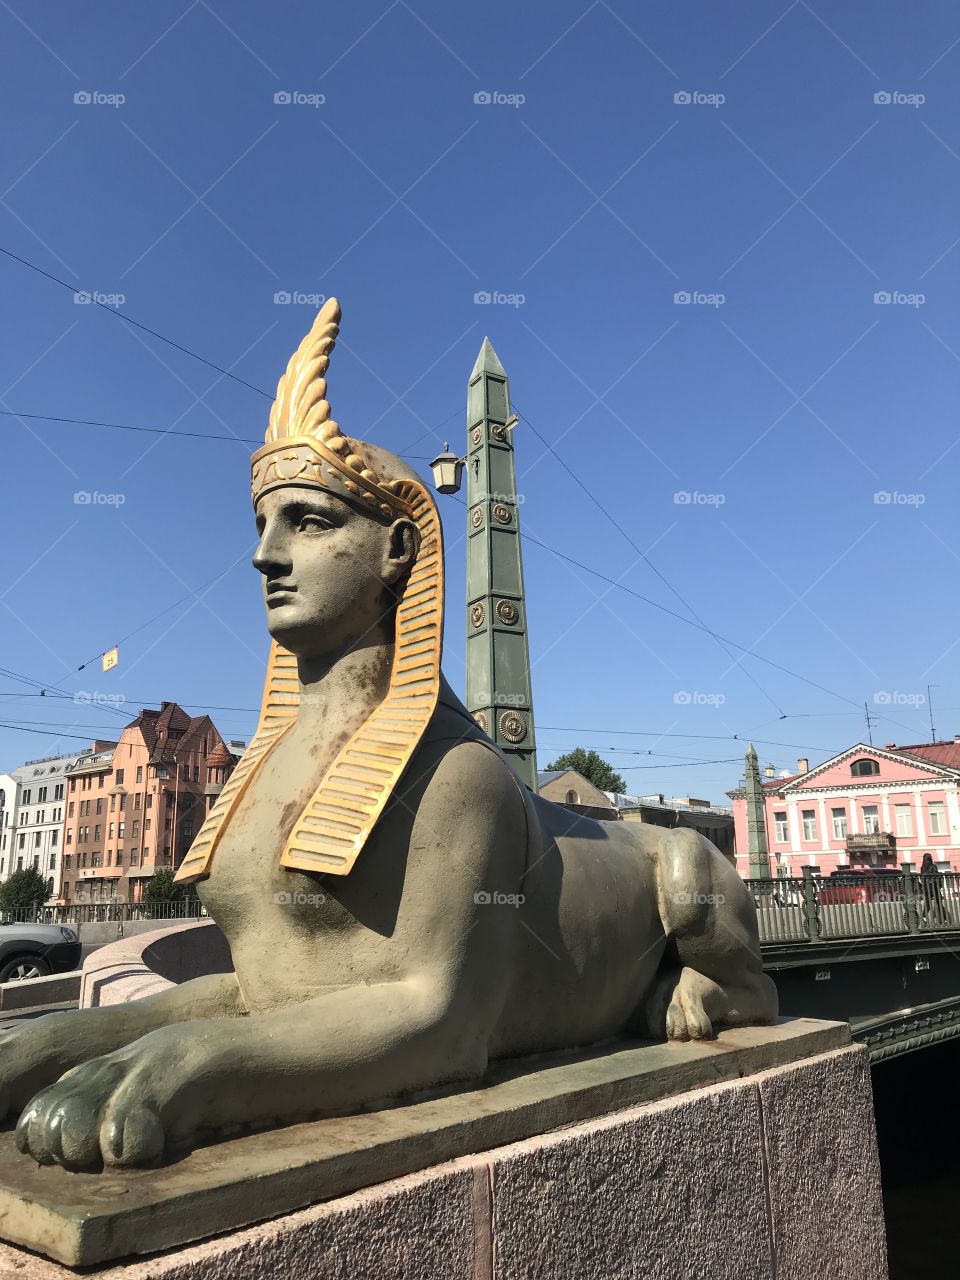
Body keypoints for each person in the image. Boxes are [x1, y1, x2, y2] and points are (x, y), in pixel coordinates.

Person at [920, 852, 946, 928]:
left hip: (927, 888)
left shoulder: (922, 867)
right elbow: (936, 876)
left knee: (927, 903)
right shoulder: (933, 866)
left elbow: (923, 879)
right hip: (935, 887)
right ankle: (944, 919)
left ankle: (924, 917)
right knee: (939, 903)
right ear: (930, 858)